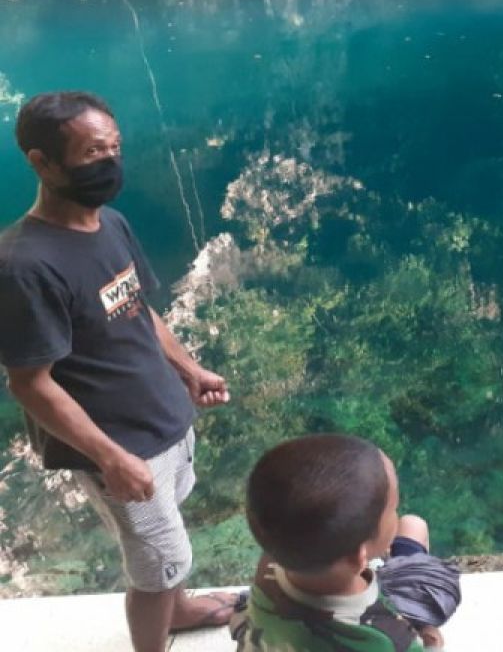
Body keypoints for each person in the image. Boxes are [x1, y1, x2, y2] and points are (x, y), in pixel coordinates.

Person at [0, 91, 236, 651]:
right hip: (119, 441)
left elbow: (137, 306)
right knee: (158, 561)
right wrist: (112, 458)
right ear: (42, 162)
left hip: (162, 415)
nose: (109, 162)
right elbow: (30, 384)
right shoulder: (23, 266)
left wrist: (188, 369)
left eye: (114, 147)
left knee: (168, 536)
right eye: (91, 152)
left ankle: (177, 611)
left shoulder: (109, 224)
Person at [231, 433, 457, 651]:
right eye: (392, 509)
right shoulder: (387, 638)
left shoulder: (270, 564)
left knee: (411, 525)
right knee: (414, 525)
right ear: (359, 557)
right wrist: (432, 644)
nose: (396, 515)